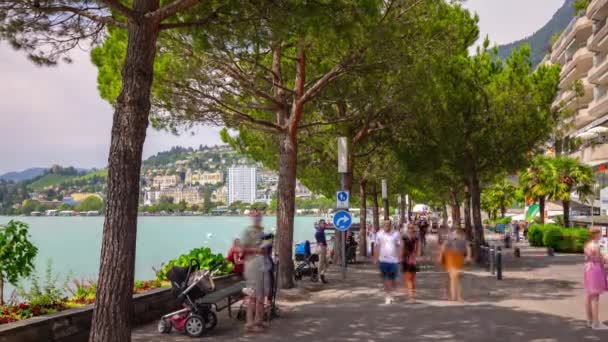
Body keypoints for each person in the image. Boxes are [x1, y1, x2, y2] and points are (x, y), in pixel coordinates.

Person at [241, 211, 271, 333]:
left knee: (262, 295)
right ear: (251, 218)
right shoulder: (248, 231)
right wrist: (256, 249)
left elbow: (268, 247)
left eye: (259, 215)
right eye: (255, 215)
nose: (258, 218)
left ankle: (259, 321)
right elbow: (242, 248)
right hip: (252, 265)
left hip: (263, 265)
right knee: (252, 295)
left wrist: (267, 246)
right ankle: (249, 323)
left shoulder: (264, 231)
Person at [584, 227, 608, 330]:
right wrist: (605, 258)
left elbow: (588, 257)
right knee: (595, 297)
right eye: (599, 233)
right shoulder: (595, 246)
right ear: (595, 234)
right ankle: (596, 323)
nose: (601, 235)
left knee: (589, 295)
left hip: (588, 268)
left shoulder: (587, 245)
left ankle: (589, 320)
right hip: (595, 269)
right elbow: (600, 260)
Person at [374, 219, 403, 305]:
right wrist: (375, 257)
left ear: (391, 225)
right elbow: (376, 246)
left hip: (394, 260)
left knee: (392, 280)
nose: (386, 226)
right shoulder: (379, 234)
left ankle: (391, 293)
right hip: (382, 260)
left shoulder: (396, 234)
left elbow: (399, 246)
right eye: (385, 224)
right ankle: (388, 296)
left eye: (388, 224)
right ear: (383, 225)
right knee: (385, 279)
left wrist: (400, 257)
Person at [439, 228, 471, 302]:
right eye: (454, 233)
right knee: (453, 277)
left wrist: (468, 257)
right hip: (449, 258)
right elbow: (443, 247)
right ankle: (454, 296)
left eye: (457, 233)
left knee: (454, 277)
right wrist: (441, 257)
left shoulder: (463, 240)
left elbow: (468, 248)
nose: (455, 235)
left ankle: (454, 296)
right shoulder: (448, 239)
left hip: (459, 259)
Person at [402, 224, 421, 303]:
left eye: (411, 228)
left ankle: (411, 297)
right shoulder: (415, 238)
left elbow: (418, 250)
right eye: (409, 228)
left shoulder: (405, 238)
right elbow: (418, 251)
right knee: (410, 279)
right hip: (410, 259)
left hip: (409, 259)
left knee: (410, 279)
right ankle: (411, 296)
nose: (410, 229)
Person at [315, 219, 329, 284]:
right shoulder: (319, 231)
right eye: (323, 223)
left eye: (325, 223)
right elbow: (316, 235)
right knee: (321, 263)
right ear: (320, 224)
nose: (324, 224)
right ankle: (319, 277)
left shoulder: (322, 231)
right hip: (321, 248)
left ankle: (322, 274)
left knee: (326, 264)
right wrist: (320, 242)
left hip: (323, 248)